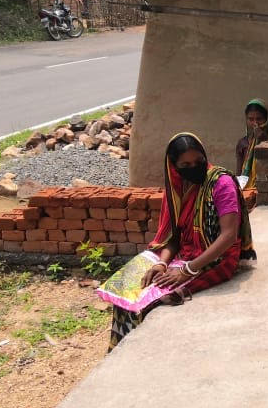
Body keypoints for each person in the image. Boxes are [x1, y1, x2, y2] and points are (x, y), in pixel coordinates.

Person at [100, 132, 254, 349]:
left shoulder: (222, 183)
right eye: (186, 164)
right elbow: (174, 236)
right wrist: (161, 264)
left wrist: (187, 270)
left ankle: (146, 354)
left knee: (151, 303)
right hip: (184, 254)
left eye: (199, 161)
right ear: (174, 166)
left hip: (217, 258)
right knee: (126, 289)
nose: (194, 167)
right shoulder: (178, 189)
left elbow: (228, 236)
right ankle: (120, 351)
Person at [235, 99, 268, 211]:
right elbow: (240, 175)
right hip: (249, 195)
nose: (255, 123)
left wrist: (264, 140)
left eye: (259, 119)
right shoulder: (243, 143)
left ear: (267, 119)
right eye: (251, 119)